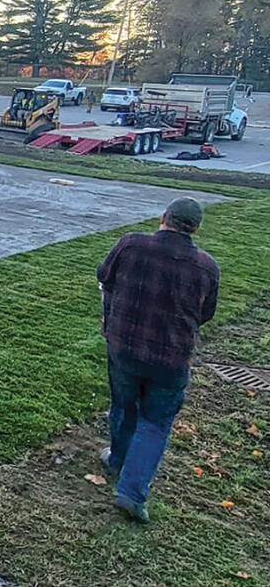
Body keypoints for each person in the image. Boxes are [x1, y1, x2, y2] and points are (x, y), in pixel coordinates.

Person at [96, 197, 218, 523]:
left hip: (124, 347)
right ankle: (132, 492)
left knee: (124, 405)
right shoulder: (206, 267)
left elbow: (105, 276)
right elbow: (205, 313)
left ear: (164, 217)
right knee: (155, 422)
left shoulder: (131, 244)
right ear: (195, 229)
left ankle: (118, 459)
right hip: (172, 359)